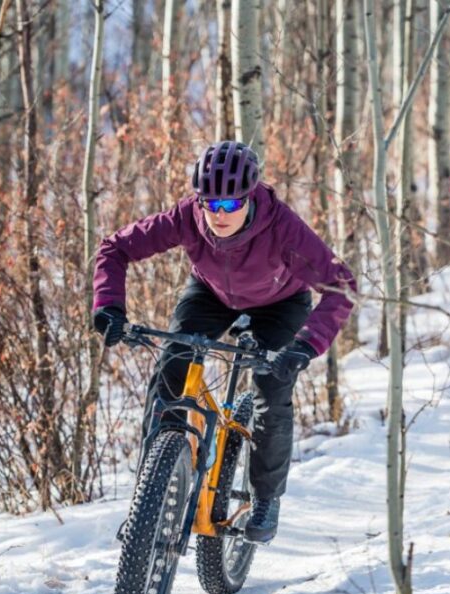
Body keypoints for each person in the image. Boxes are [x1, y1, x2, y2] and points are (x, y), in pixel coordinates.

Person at [92, 140, 355, 544]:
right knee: (171, 372)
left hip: (280, 304)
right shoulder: (187, 216)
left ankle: (266, 497)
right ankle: (152, 495)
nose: (218, 214)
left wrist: (303, 347)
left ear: (249, 198)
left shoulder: (282, 227)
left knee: (271, 386)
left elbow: (342, 286)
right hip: (210, 295)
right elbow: (115, 248)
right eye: (209, 203)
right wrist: (109, 306)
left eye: (230, 205)